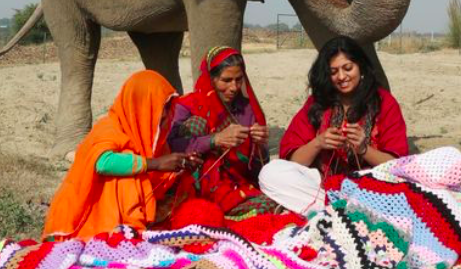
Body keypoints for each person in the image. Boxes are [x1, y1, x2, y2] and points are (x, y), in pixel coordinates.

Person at [43, 70, 199, 240]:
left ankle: (131, 228)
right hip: (85, 219)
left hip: (127, 221)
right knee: (127, 165)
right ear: (140, 106)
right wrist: (155, 163)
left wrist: (180, 166)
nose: (164, 117)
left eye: (167, 110)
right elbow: (103, 163)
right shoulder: (109, 128)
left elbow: (156, 181)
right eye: (158, 110)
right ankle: (120, 231)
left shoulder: (152, 138)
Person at [260, 36, 408, 213]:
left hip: (368, 186)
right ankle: (337, 210)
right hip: (323, 186)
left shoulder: (384, 102)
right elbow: (293, 160)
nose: (341, 77)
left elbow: (397, 165)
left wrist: (363, 149)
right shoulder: (318, 102)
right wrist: (318, 143)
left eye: (348, 68)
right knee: (270, 172)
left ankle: (326, 210)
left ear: (360, 67)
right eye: (333, 72)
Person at [168, 46, 271, 216]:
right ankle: (196, 202)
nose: (234, 87)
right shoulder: (188, 105)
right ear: (211, 78)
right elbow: (169, 146)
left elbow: (256, 170)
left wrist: (259, 146)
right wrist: (215, 139)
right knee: (196, 124)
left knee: (270, 203)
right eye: (226, 80)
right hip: (193, 185)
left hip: (234, 185)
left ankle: (223, 205)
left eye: (239, 79)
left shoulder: (247, 109)